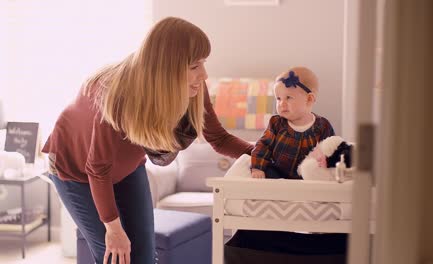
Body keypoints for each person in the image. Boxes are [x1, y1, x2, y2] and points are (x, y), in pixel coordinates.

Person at [43, 17, 253, 264]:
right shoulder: (114, 94)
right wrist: (114, 229)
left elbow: (218, 138)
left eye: (203, 63)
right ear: (169, 68)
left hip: (126, 168)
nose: (204, 74)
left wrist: (262, 152)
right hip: (75, 170)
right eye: (195, 65)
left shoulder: (192, 87)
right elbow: (98, 169)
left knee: (143, 255)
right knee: (116, 256)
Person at [251, 66, 335, 179]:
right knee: (268, 172)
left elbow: (330, 149)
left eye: (288, 98)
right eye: (278, 98)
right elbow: (263, 146)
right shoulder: (276, 123)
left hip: (307, 176)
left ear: (309, 99)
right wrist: (257, 167)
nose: (281, 104)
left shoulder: (322, 126)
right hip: (278, 172)